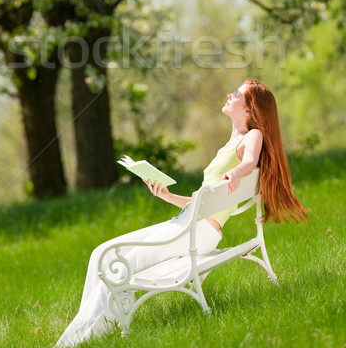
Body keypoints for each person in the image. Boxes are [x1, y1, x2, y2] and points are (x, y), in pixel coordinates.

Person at [55, 79, 307, 347]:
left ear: (249, 110)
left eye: (235, 94)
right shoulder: (231, 142)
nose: (228, 95)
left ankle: (73, 342)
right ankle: (88, 333)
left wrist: (236, 172)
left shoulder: (251, 136)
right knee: (100, 254)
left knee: (121, 268)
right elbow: (203, 201)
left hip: (198, 232)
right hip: (189, 224)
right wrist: (167, 195)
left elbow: (250, 162)